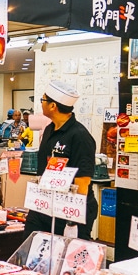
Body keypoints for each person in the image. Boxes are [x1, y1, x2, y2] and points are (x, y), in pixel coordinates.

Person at [24, 80, 99, 240]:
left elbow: (83, 182)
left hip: (69, 210)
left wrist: (71, 219)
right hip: (43, 205)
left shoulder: (79, 136)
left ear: (53, 106)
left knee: (65, 258)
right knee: (31, 247)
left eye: (43, 100)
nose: (41, 104)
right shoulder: (49, 129)